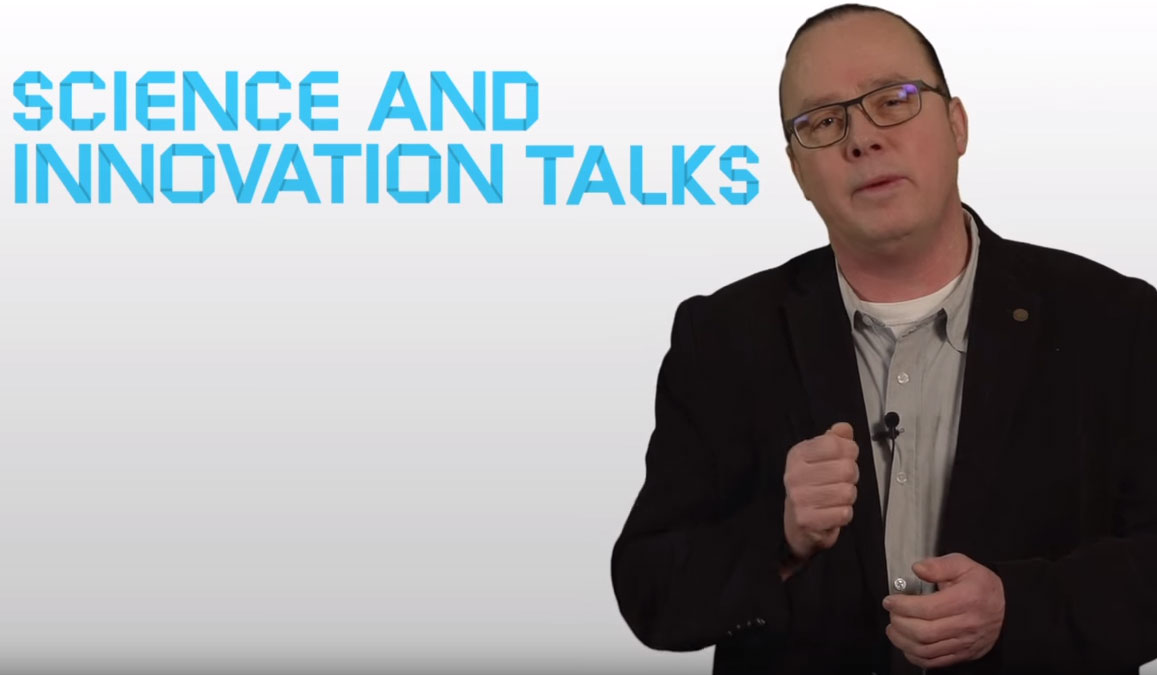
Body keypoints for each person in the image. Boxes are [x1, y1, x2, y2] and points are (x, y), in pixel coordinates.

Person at [609, 4, 1157, 674]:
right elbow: (650, 592)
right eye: (822, 121)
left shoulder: (1115, 321)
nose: (862, 140)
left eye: (893, 100)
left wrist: (1018, 608)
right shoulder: (722, 338)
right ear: (796, 170)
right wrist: (781, 535)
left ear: (956, 124)